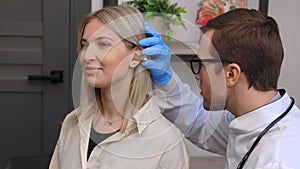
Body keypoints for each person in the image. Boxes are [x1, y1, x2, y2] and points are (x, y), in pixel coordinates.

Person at [139, 8, 300, 169]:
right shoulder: (248, 116)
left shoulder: (278, 161)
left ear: (231, 74)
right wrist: (165, 77)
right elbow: (198, 121)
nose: (197, 75)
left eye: (202, 64)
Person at [49, 6, 189, 169]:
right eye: (85, 45)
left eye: (103, 44)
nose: (87, 56)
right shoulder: (72, 124)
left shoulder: (166, 142)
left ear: (136, 56)